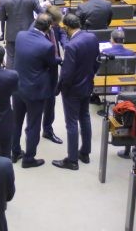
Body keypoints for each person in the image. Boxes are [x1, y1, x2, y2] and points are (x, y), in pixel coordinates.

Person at [53, 13, 99, 171]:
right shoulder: (92, 38)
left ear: (66, 27)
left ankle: (72, 160)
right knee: (85, 117)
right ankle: (85, 153)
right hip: (87, 85)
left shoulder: (72, 47)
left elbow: (67, 73)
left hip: (73, 90)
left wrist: (60, 89)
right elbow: (96, 62)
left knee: (71, 123)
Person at [11, 14, 58, 168]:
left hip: (17, 88)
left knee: (16, 122)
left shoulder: (20, 36)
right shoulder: (47, 45)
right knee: (33, 125)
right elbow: (51, 65)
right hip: (35, 91)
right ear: (49, 27)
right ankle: (29, 159)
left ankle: (15, 152)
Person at [0, 0, 43, 69]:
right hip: (29, 32)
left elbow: (1, 17)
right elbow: (41, 12)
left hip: (11, 33)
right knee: (29, 57)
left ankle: (11, 80)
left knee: (11, 57)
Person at [41, 5, 64, 145]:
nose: (56, 25)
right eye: (55, 23)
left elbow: (61, 34)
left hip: (53, 68)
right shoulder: (37, 27)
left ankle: (47, 129)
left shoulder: (54, 26)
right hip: (41, 70)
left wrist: (67, 46)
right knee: (38, 101)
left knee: (51, 100)